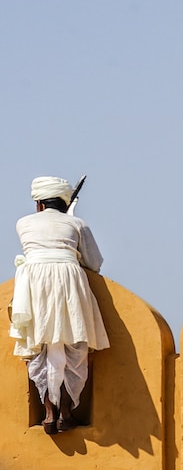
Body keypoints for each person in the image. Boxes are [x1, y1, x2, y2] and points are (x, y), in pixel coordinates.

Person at [11, 176, 109, 434]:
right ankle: (66, 411)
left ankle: (48, 412)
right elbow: (94, 263)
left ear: (39, 205)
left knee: (38, 345)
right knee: (75, 346)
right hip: (69, 282)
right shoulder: (77, 223)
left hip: (33, 285)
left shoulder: (23, 223)